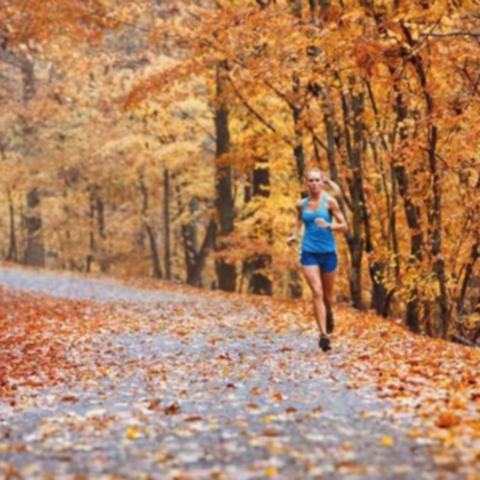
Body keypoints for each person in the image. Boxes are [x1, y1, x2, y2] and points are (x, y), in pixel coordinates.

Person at [288, 168, 347, 351]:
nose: (313, 183)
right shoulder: (301, 204)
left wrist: (329, 225)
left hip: (328, 252)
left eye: (317, 180)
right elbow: (299, 221)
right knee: (317, 291)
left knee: (328, 297)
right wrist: (294, 236)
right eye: (310, 180)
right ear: (306, 183)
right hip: (309, 251)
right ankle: (323, 335)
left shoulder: (330, 202)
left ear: (322, 182)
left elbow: (344, 226)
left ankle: (329, 314)